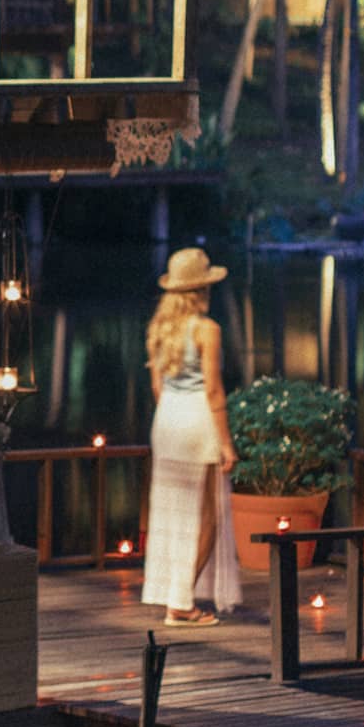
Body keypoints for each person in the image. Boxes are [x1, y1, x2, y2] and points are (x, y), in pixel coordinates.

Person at [142, 246, 240, 626]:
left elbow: (157, 387)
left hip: (167, 422)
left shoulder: (159, 329)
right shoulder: (207, 330)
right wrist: (226, 443)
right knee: (207, 517)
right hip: (198, 420)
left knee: (171, 512)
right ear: (201, 290)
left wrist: (173, 415)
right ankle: (181, 602)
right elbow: (214, 391)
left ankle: (175, 595)